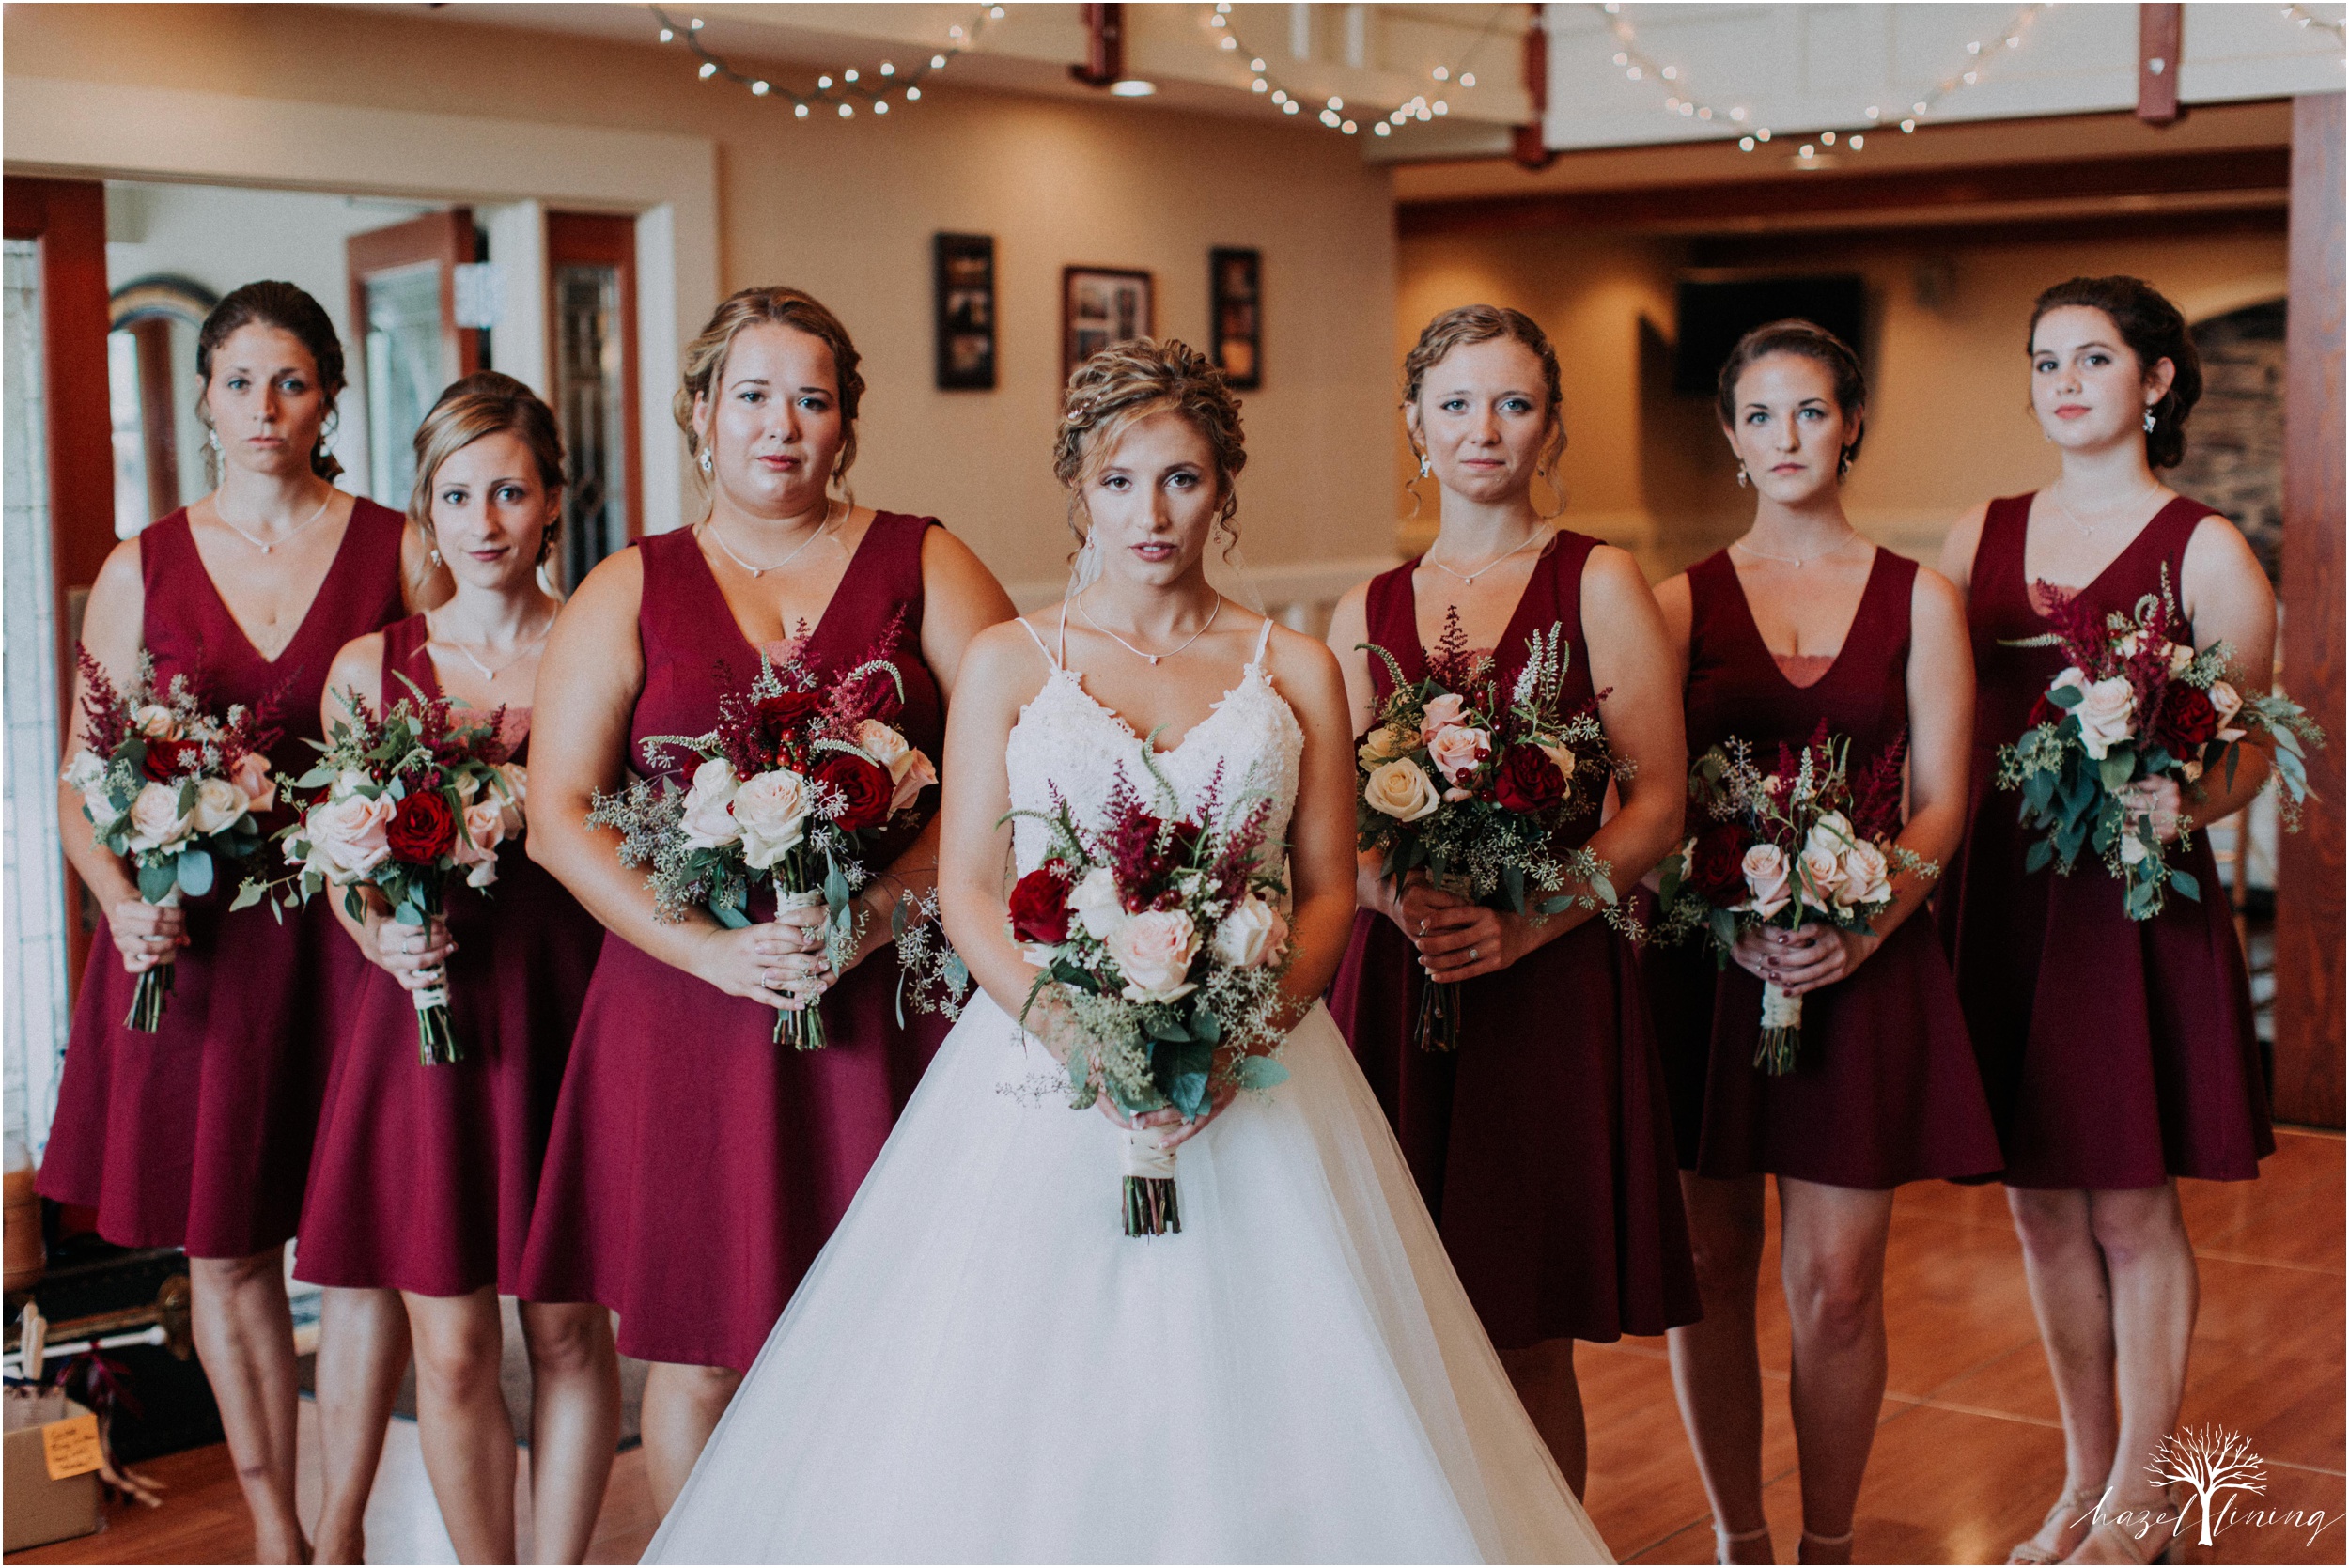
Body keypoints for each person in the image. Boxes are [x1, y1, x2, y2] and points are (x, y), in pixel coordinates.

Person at [644, 336, 1610, 1562]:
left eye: (1183, 480)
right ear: (1076, 490)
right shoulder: (1010, 659)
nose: (1151, 515)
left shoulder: (1297, 666)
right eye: (1119, 482)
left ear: (1223, 488)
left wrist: (1239, 1037)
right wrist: (1075, 1033)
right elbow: (973, 887)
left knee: (1286, 1404)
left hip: (1256, 1075)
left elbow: (1322, 895)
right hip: (1039, 1078)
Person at [519, 286, 1014, 1517]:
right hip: (688, 1013)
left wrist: (881, 910)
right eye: (752, 396)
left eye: (812, 399)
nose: (780, 425)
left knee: (903, 1338)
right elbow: (558, 818)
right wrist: (713, 951)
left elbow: (1021, 767)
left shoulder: (926, 560)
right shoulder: (627, 587)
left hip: (888, 1010)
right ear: (700, 413)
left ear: (847, 425)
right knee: (701, 1354)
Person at [39, 280, 442, 1563]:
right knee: (227, 1254)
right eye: (237, 382)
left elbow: (446, 744)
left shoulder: (400, 547)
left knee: (365, 1254)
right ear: (202, 397)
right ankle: (277, 1533)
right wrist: (122, 901)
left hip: (355, 941)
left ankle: (344, 1524)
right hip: (195, 951)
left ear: (329, 395)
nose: (263, 409)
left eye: (291, 382)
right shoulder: (137, 566)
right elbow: (77, 783)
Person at [1325, 303, 1699, 1497]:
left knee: (1523, 1329)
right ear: (1413, 428)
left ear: (1549, 426)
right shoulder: (1362, 609)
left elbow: (1654, 808)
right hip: (1395, 981)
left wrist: (1527, 920)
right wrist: (1394, 901)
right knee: (1392, 1323)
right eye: (1455, 404)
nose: (1482, 429)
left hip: (1545, 985)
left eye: (1513, 403)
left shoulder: (1598, 580)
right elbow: (1328, 815)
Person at [1646, 321, 2000, 1565]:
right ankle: (1740, 1537)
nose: (1787, 437)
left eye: (1811, 412)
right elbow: (1649, 795)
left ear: (1851, 424)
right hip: (1710, 973)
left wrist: (1866, 922)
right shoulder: (1677, 601)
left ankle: (1830, 1546)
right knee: (1710, 1256)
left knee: (1839, 1284)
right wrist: (1728, 916)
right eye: (1761, 415)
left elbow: (1946, 797)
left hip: (1867, 968)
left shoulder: (1923, 597)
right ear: (1732, 437)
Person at [1938, 277, 2275, 1567]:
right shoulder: (1980, 530)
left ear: (2159, 382)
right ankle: (2084, 1480)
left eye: (2093, 358)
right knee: (2036, 1203)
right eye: (2044, 361)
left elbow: (2248, 751)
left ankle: (2145, 1501)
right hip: (2004, 897)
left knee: (2131, 1205)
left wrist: (2184, 808)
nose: (2064, 381)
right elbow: (1934, 704)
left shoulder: (2205, 548)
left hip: (2127, 906)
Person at [294, 374, 620, 1564]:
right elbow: (340, 856)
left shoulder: (603, 643)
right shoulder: (365, 664)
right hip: (425, 1021)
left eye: (510, 491)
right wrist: (375, 924)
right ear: (425, 513)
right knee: (452, 1346)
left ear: (550, 506)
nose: (484, 519)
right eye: (456, 494)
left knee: (574, 1331)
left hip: (568, 1011)